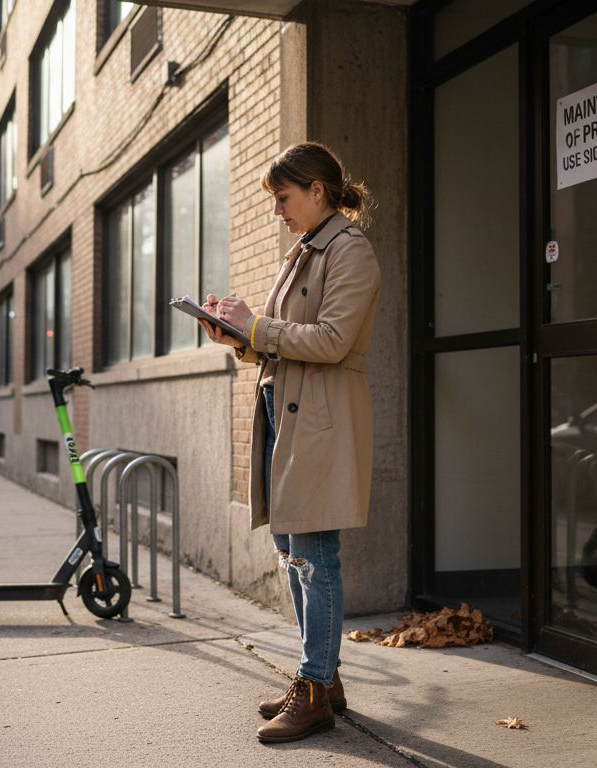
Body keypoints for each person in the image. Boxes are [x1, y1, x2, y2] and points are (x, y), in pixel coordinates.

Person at [200, 142, 380, 744]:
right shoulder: (304, 250)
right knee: (290, 548)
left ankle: (314, 690)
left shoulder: (349, 251)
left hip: (322, 418)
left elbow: (330, 340)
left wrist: (256, 326)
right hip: (287, 412)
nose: (277, 210)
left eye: (283, 197)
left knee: (313, 554)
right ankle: (321, 683)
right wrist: (236, 335)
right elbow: (282, 339)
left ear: (317, 191)